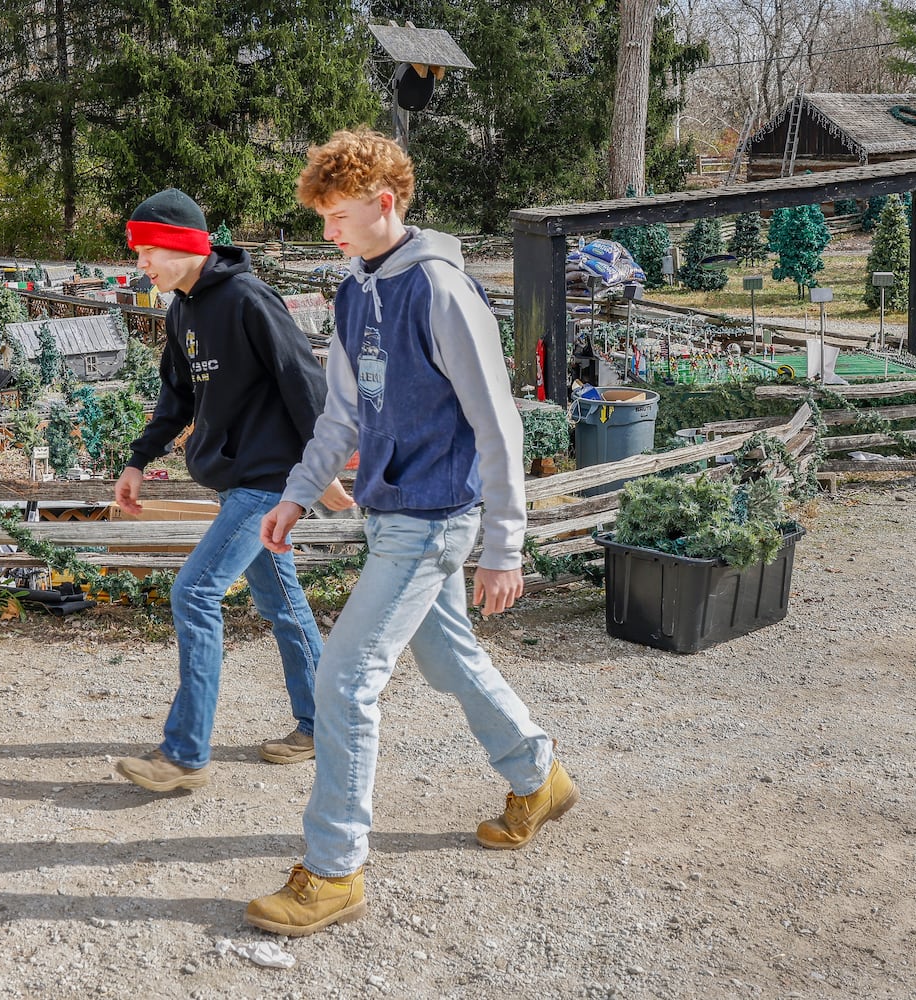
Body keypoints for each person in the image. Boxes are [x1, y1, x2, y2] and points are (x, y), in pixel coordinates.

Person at [245, 130, 577, 936]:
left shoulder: (439, 290)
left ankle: (332, 871)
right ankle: (539, 776)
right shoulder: (355, 291)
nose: (328, 231)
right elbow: (342, 413)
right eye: (322, 216)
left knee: (343, 680)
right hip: (387, 511)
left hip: (431, 521)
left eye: (338, 215)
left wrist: (504, 546)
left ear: (383, 204)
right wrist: (297, 493)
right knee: (444, 655)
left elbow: (497, 424)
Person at [112, 187, 353, 793]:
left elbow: (304, 380)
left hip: (269, 481)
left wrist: (321, 475)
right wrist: (140, 458)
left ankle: (184, 755)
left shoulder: (248, 298)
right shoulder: (182, 311)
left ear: (184, 247)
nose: (140, 264)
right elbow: (178, 398)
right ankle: (324, 723)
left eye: (147, 252)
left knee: (194, 592)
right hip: (236, 480)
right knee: (281, 602)